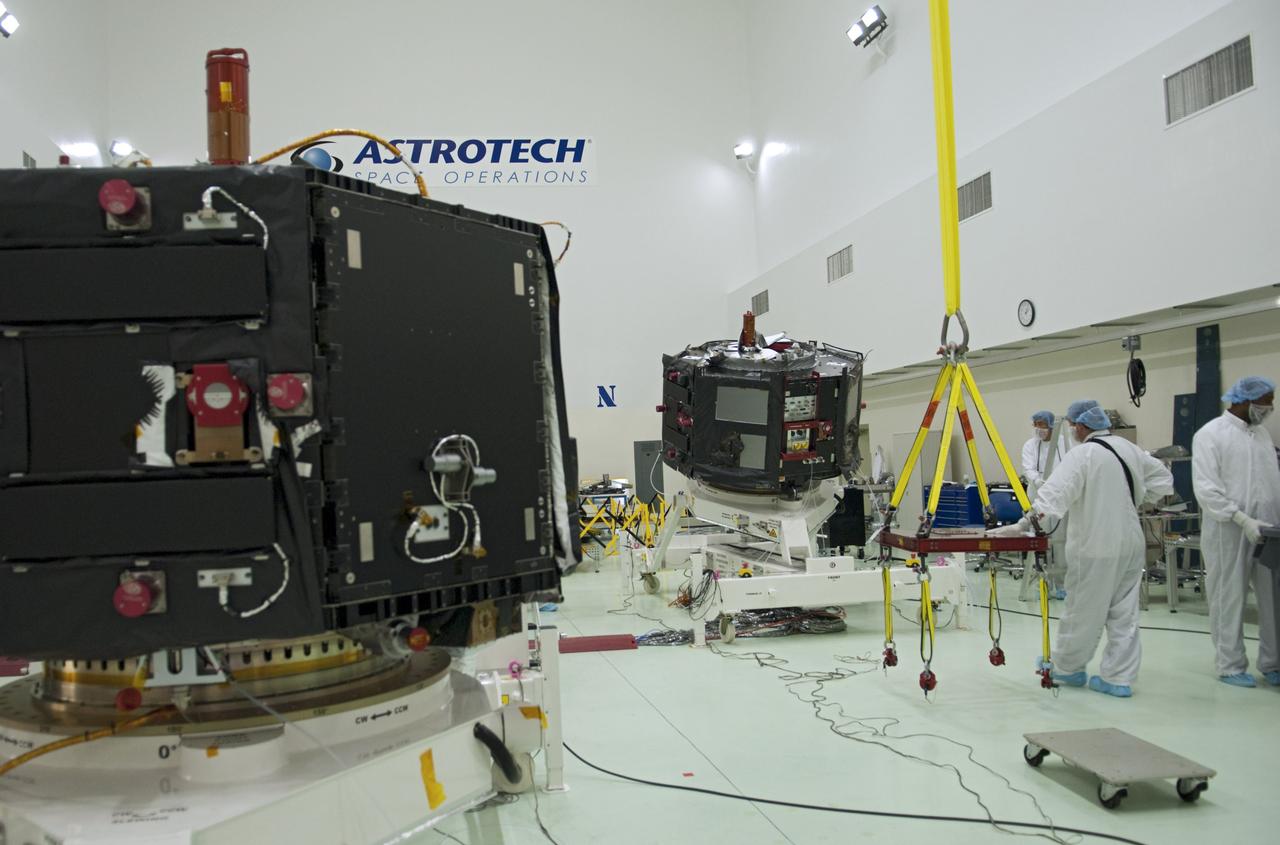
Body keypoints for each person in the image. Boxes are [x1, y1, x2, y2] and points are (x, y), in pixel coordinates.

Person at [992, 403, 1174, 697]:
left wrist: (1023, 524)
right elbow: (1164, 481)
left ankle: (1067, 668)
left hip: (1096, 544)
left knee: (1083, 610)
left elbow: (1052, 495)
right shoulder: (1129, 448)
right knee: (1124, 613)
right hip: (1130, 542)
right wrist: (1132, 498)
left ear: (1079, 426)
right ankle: (1118, 678)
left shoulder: (1083, 454)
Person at [1191, 376, 1280, 688]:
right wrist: (1241, 519)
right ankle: (1229, 664)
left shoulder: (1262, 435)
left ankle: (1273, 662)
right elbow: (1206, 489)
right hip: (1228, 530)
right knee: (1229, 595)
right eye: (1266, 400)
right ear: (1244, 399)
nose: (1269, 407)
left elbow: (1271, 483)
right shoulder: (1210, 435)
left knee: (1273, 597)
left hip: (1268, 530)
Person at [1021, 410, 1065, 497]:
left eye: (1041, 424)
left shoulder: (1063, 442)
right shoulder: (1030, 445)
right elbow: (1028, 469)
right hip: (1037, 493)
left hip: (1060, 491)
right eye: (1035, 424)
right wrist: (1037, 481)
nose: (1037, 428)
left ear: (1051, 425)